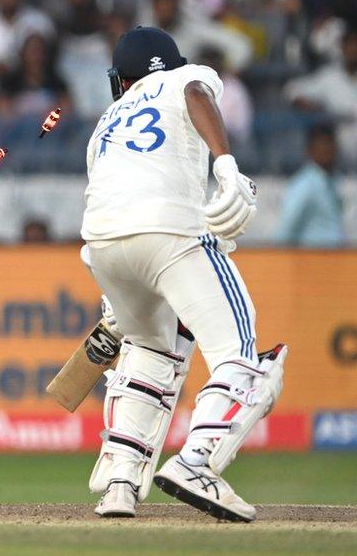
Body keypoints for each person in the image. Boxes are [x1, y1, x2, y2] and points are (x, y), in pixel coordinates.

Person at [81, 27, 286, 522]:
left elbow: (113, 201)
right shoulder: (185, 77)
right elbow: (195, 92)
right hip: (170, 232)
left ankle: (121, 483)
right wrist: (226, 164)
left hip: (102, 244)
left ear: (120, 80)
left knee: (150, 351)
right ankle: (196, 463)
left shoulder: (104, 124)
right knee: (245, 358)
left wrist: (116, 304)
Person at [284, 30, 357, 164]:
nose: (354, 51)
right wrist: (305, 103)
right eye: (350, 46)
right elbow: (292, 90)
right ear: (343, 48)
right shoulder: (330, 78)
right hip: (339, 157)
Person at [149, 0, 252, 72]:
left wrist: (226, 71)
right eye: (162, 6)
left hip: (190, 88)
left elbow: (240, 45)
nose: (166, 10)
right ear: (154, 7)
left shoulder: (193, 30)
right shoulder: (145, 35)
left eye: (170, 6)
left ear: (178, 6)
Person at [275, 124, 345, 247]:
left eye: (330, 143)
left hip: (335, 260)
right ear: (310, 149)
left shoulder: (332, 181)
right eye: (322, 144)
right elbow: (287, 227)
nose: (328, 149)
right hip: (312, 260)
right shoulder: (305, 184)